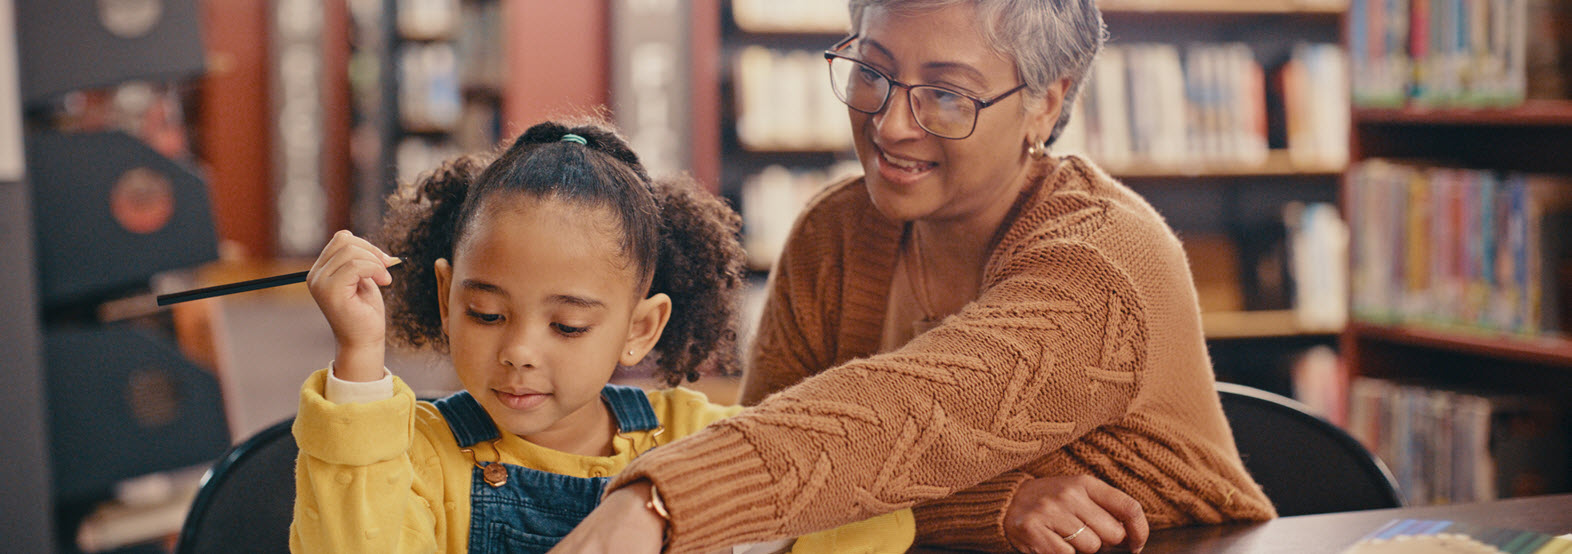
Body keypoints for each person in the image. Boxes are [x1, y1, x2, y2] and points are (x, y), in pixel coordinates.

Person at [551, 1, 1278, 553]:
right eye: (872, 73)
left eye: (947, 95)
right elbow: (794, 495)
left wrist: (658, 501)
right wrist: (995, 507)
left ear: (1044, 103)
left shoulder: (1104, 262)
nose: (892, 124)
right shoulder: (834, 233)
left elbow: (914, 413)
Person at [288, 120, 915, 553]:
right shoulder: (418, 453)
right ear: (448, 299)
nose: (519, 351)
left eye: (567, 326)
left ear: (639, 329)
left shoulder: (694, 437)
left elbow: (869, 520)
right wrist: (360, 361)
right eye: (485, 312)